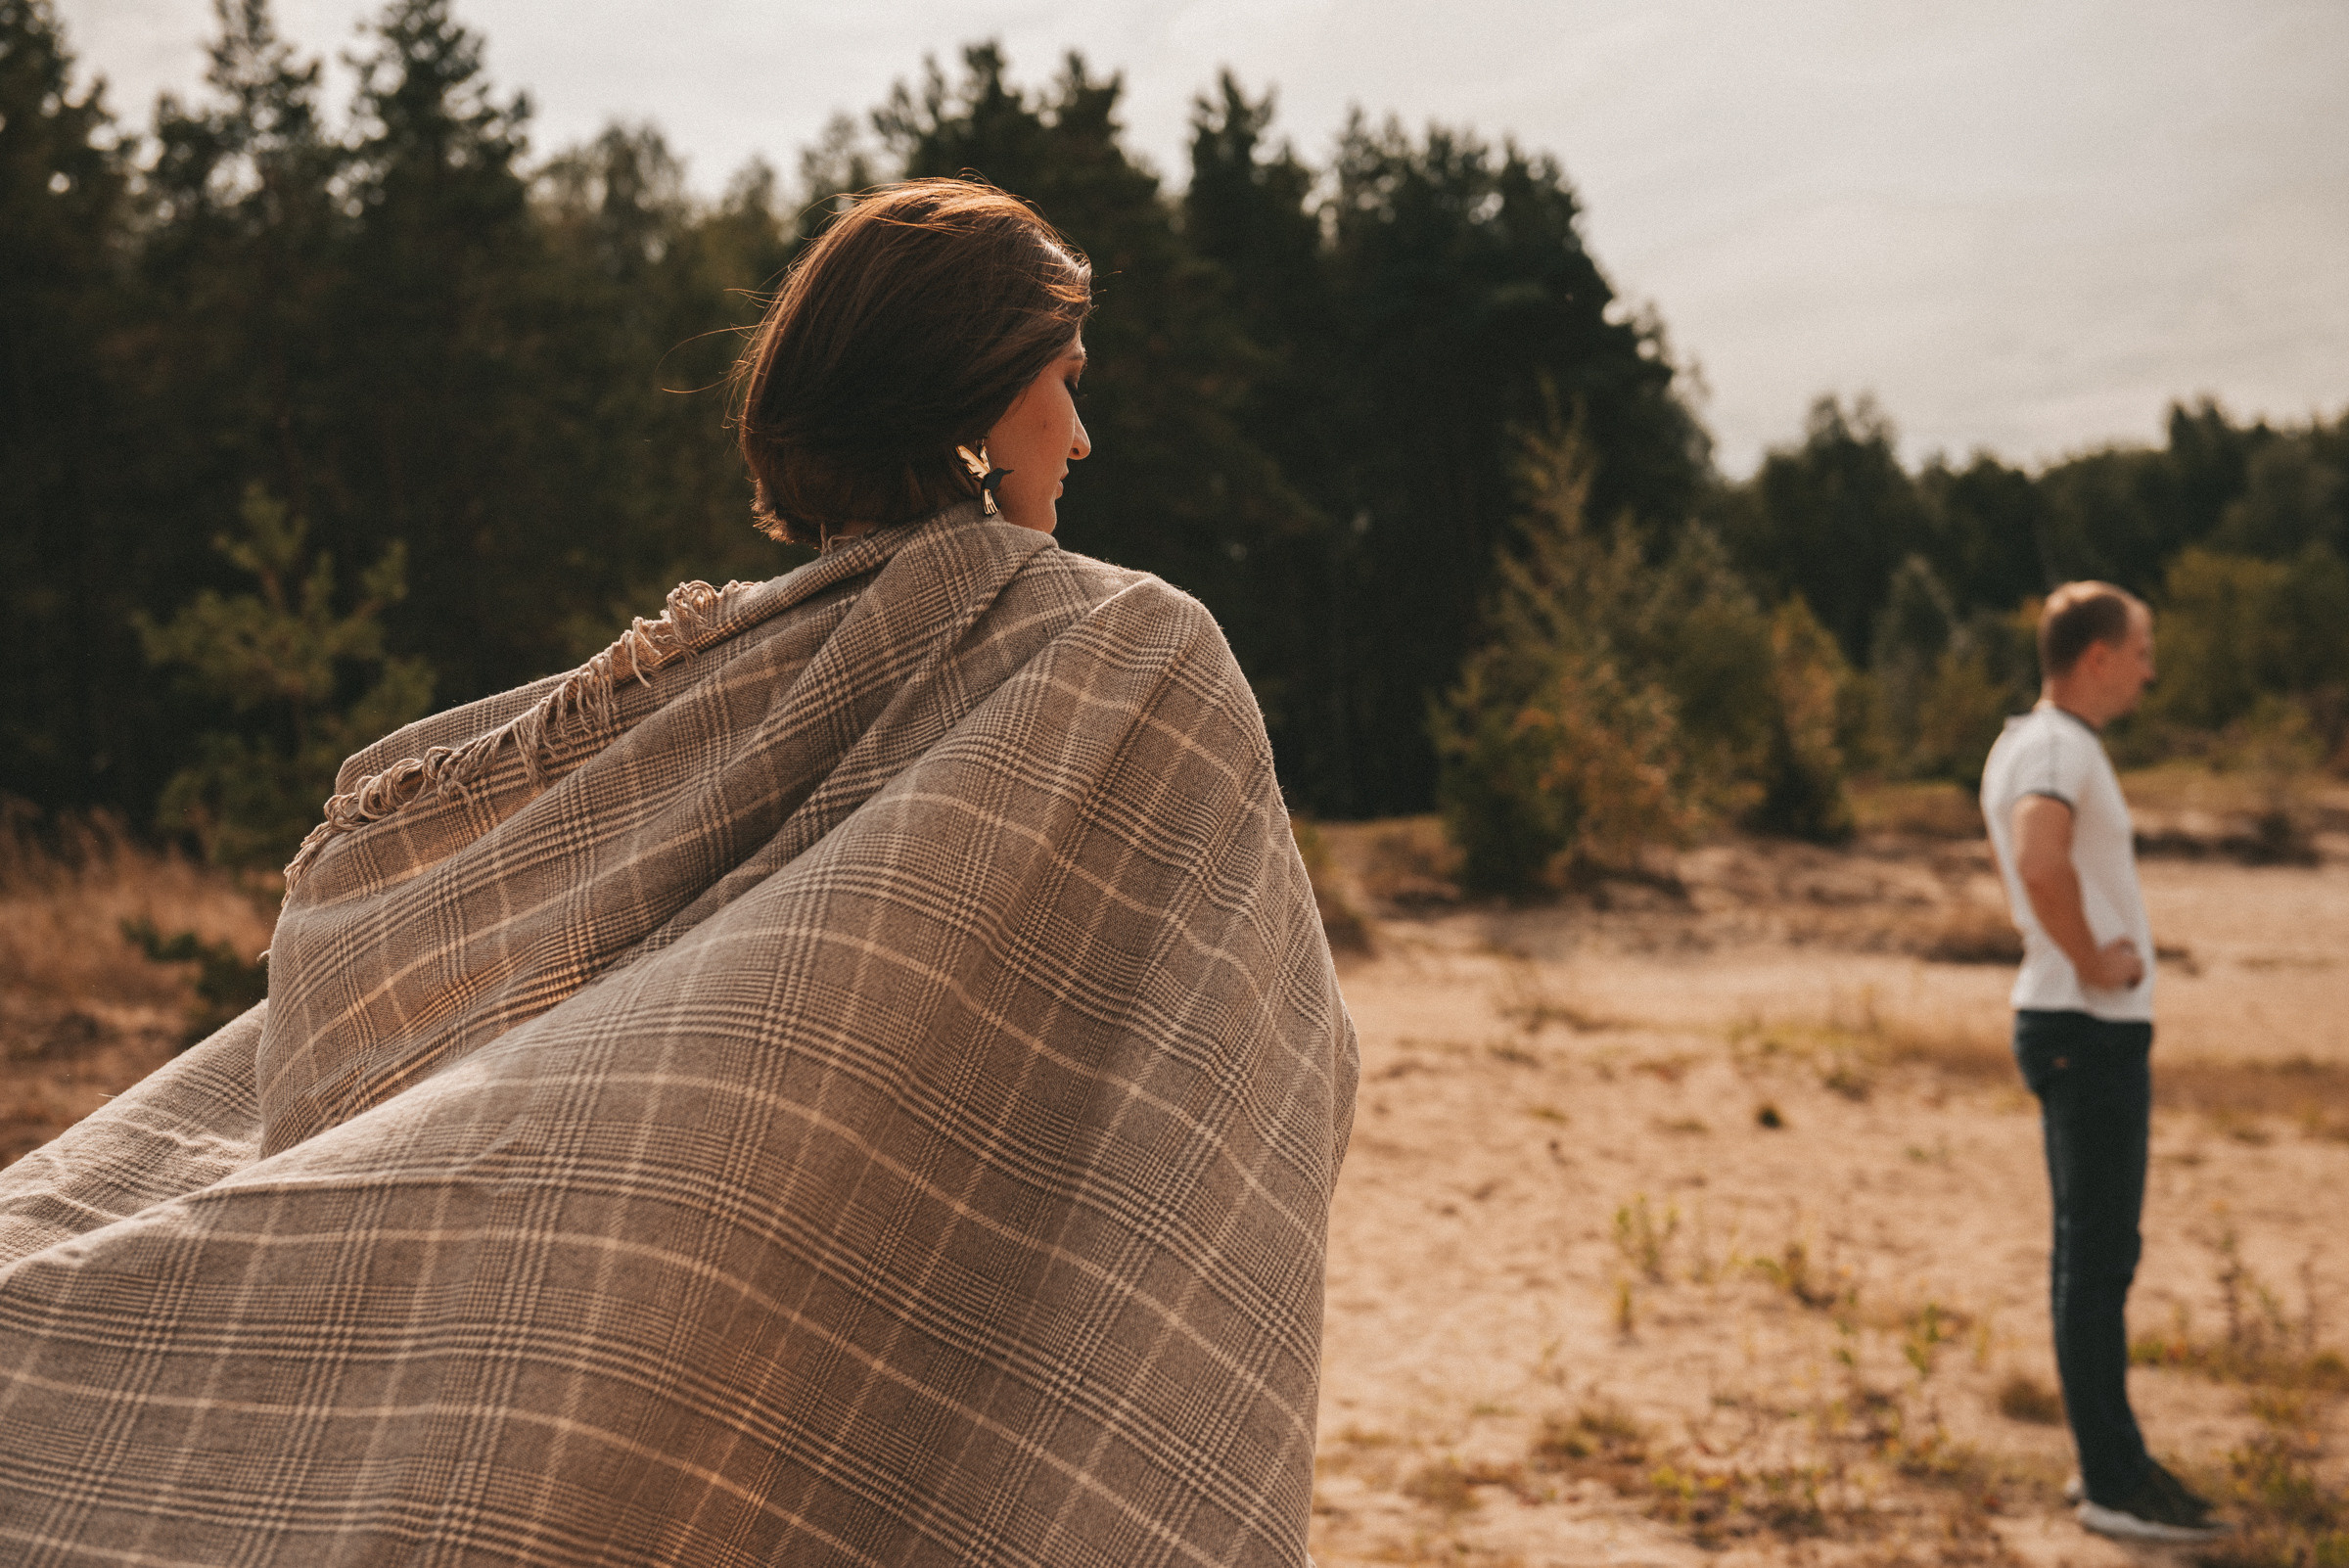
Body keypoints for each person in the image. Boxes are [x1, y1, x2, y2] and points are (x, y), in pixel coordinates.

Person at [0, 179, 1359, 1566]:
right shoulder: (1132, 649)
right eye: (1061, 381)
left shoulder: (746, 666)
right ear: (968, 392)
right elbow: (1242, 1039)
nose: (1082, 429)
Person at [1979, 581, 2225, 1544]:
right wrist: (2093, 960)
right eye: (2141, 649)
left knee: (2092, 1256)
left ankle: (2109, 1464)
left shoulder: (2042, 743)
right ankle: (2115, 1484)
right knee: (2097, 1260)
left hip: (2076, 1025)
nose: (2150, 669)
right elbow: (2043, 861)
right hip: (2085, 1026)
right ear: (2094, 655)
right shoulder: (2053, 748)